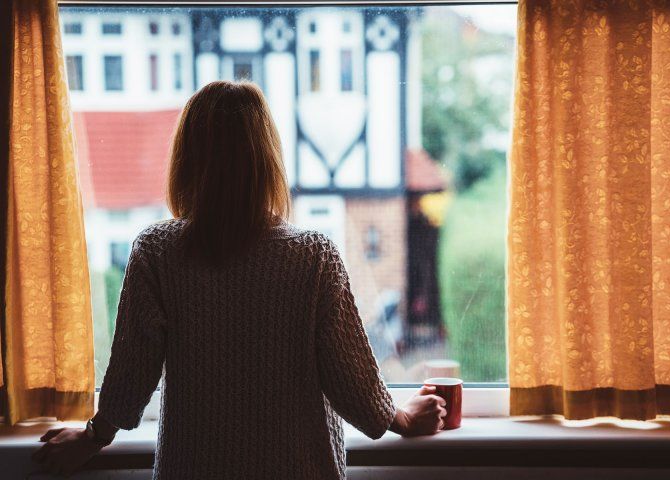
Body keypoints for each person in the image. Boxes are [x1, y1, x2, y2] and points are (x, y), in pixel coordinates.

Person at [33, 81, 446, 479]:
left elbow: (129, 377)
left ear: (187, 160)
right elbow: (355, 387)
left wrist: (91, 438)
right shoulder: (313, 257)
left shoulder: (157, 251)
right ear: (267, 160)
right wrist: (404, 419)